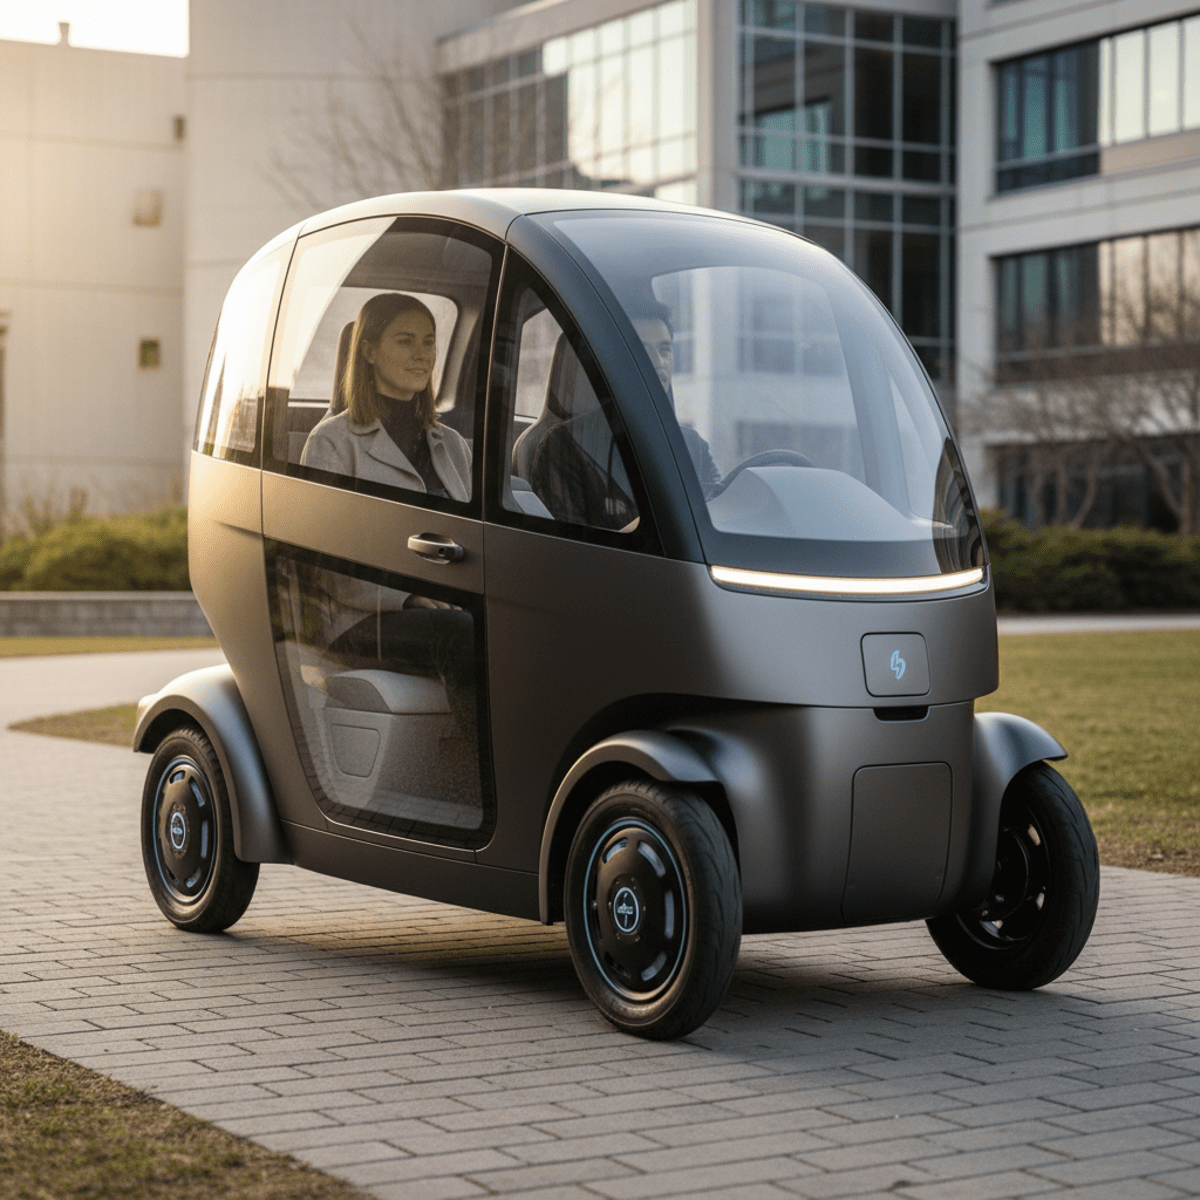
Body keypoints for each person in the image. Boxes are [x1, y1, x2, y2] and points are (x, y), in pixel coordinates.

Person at [301, 292, 471, 501]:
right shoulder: (331, 441)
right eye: (405, 341)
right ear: (369, 352)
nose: (422, 355)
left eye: (428, 342)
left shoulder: (456, 445)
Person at [626, 301, 723, 499]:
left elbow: (720, 509)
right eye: (642, 351)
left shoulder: (693, 446)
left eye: (665, 350)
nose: (659, 364)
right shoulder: (572, 444)